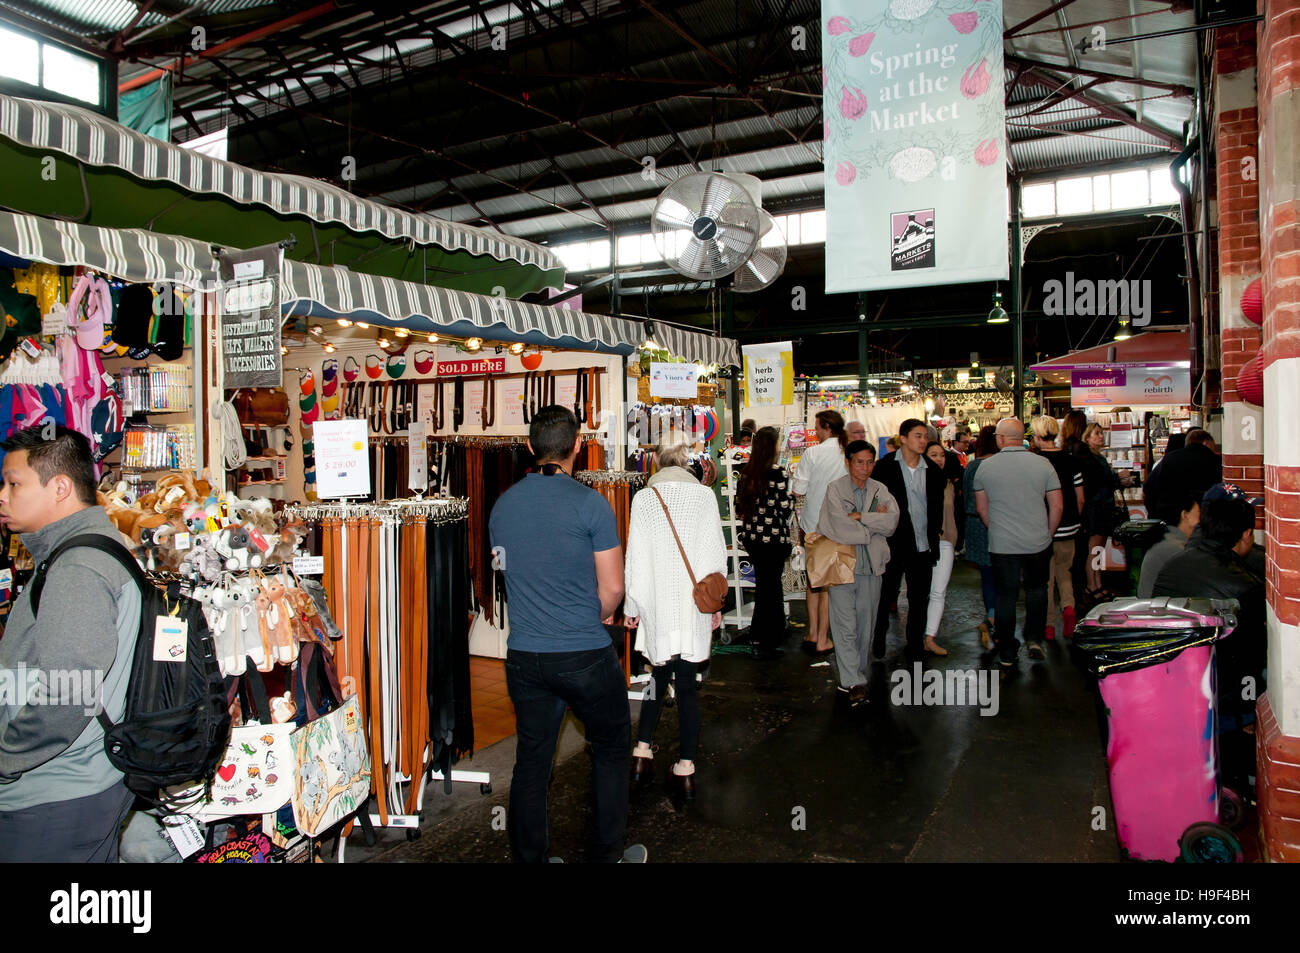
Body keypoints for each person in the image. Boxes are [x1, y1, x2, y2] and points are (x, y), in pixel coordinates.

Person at [489, 406, 645, 863]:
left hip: (524, 656)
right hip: (583, 654)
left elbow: (504, 571)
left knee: (533, 762)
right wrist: (592, 615)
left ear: (529, 446)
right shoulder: (591, 503)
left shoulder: (503, 505)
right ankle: (605, 856)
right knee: (612, 748)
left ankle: (531, 859)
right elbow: (613, 588)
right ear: (579, 445)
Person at [0, 425, 143, 862]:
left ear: (60, 487)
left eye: (14, 483)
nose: (3, 496)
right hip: (77, 782)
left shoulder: (78, 568)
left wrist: (6, 759)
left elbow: (68, 693)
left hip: (52, 791)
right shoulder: (94, 548)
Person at [624, 435, 726, 799]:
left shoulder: (643, 499)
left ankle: (641, 752)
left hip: (656, 605)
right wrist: (715, 608)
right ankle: (685, 767)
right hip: (693, 604)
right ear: (687, 461)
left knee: (656, 677)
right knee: (687, 685)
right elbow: (716, 554)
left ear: (656, 461)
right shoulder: (703, 497)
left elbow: (634, 559)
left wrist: (631, 609)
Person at [1152, 493, 1265, 784]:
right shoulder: (1245, 586)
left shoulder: (1172, 566)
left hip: (1167, 673)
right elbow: (1253, 655)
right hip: (1220, 687)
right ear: (1246, 535)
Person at [974, 418, 1063, 666]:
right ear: (1021, 437)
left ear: (1000, 439)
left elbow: (982, 509)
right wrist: (1048, 532)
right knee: (1037, 591)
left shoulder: (985, 467)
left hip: (1002, 544)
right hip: (1037, 541)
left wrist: (998, 528)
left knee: (1005, 595)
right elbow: (1057, 504)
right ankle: (1034, 639)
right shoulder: (1043, 464)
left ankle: (1007, 650)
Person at [817, 441, 899, 705]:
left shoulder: (880, 490)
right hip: (841, 566)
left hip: (872, 568)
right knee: (845, 626)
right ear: (848, 462)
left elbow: (892, 522)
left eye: (869, 462)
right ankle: (852, 680)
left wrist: (859, 516)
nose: (865, 468)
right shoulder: (835, 489)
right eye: (859, 462)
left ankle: (857, 672)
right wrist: (871, 524)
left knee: (867, 625)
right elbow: (836, 526)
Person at [870, 418, 947, 660]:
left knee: (919, 599)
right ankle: (878, 639)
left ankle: (915, 645)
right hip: (892, 545)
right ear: (903, 438)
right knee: (885, 596)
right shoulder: (884, 467)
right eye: (918, 436)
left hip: (922, 545)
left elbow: (936, 509)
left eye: (925, 436)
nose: (923, 441)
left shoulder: (933, 471)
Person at [790, 410, 848, 656]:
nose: (815, 431)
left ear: (826, 427)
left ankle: (815, 634)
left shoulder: (813, 453)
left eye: (816, 427)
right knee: (829, 584)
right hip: (841, 524)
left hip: (813, 523)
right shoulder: (847, 452)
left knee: (814, 583)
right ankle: (823, 636)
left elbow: (798, 489)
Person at [734, 426, 794, 660]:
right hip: (774, 538)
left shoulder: (746, 473)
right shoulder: (778, 473)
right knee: (773, 586)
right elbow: (783, 508)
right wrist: (790, 499)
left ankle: (760, 631)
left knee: (763, 586)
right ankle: (772, 633)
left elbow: (740, 508)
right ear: (772, 446)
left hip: (753, 538)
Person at [1030, 415, 1085, 639]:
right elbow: (1080, 498)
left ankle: (1049, 625)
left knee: (1046, 579)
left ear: (1037, 436)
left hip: (1044, 528)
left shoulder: (1035, 462)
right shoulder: (1071, 460)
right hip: (1070, 527)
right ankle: (1069, 608)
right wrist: (1074, 520)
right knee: (1065, 573)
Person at [921, 440, 959, 655]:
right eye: (933, 454)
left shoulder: (949, 484)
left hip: (945, 541)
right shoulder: (917, 482)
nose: (938, 459)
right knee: (920, 592)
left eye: (941, 455)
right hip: (922, 542)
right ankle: (917, 635)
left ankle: (930, 637)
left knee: (938, 591)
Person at [1076, 422, 1121, 602]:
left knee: (1098, 549)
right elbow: (1100, 483)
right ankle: (1092, 584)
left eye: (1101, 434)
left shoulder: (1098, 458)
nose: (1101, 437)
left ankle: (1097, 582)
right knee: (1094, 549)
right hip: (1096, 509)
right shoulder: (1091, 459)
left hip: (1102, 508)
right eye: (1097, 434)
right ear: (1087, 438)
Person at [963, 425, 999, 648]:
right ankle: (995, 619)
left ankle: (992, 614)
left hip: (973, 524)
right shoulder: (998, 467)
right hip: (995, 524)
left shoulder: (972, 466)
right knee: (1003, 574)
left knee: (987, 576)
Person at [1143, 428, 1222, 525]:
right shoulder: (1217, 461)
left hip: (1173, 520)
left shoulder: (1169, 459)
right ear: (1206, 443)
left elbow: (1149, 488)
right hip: (1208, 520)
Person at [1136, 492, 1199, 598]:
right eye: (1198, 513)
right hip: (1156, 611)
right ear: (1185, 515)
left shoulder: (1168, 540)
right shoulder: (1174, 548)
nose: (1200, 520)